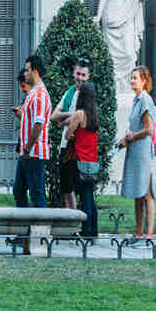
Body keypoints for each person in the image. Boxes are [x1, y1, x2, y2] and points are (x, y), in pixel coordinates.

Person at [119, 65, 156, 240]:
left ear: (144, 81)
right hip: (135, 149)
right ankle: (138, 232)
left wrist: (132, 136)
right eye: (132, 77)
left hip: (142, 150)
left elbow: (148, 129)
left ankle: (148, 233)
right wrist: (126, 139)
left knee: (146, 192)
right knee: (137, 191)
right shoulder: (136, 100)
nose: (132, 80)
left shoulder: (145, 100)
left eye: (136, 78)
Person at [50, 57, 92, 209]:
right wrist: (72, 115)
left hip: (78, 146)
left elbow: (83, 118)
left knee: (80, 188)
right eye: (78, 74)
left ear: (87, 77)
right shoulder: (69, 92)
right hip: (65, 145)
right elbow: (54, 116)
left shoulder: (88, 94)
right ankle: (70, 221)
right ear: (74, 74)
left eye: (83, 75)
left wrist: (66, 118)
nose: (80, 78)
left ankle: (77, 223)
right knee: (66, 187)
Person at [14, 55, 51, 213]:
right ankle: (23, 232)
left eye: (28, 70)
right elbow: (32, 120)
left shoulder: (40, 95)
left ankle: (41, 234)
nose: (25, 74)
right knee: (19, 190)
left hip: (34, 153)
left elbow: (38, 124)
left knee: (36, 194)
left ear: (35, 72)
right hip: (27, 152)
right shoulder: (33, 94)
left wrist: (28, 148)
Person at [64, 81, 100, 238]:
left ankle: (86, 232)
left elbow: (67, 134)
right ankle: (93, 230)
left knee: (84, 198)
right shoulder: (94, 115)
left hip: (79, 160)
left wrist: (71, 133)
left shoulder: (79, 114)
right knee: (89, 197)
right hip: (92, 161)